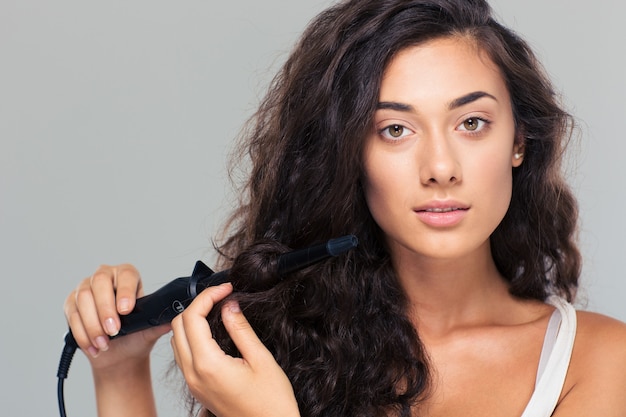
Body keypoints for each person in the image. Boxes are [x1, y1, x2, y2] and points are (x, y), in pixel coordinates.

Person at [63, 0, 626, 416]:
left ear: (519, 142)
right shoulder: (284, 350)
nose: (440, 167)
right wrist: (119, 372)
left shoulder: (599, 363)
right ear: (349, 156)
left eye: (471, 123)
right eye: (395, 129)